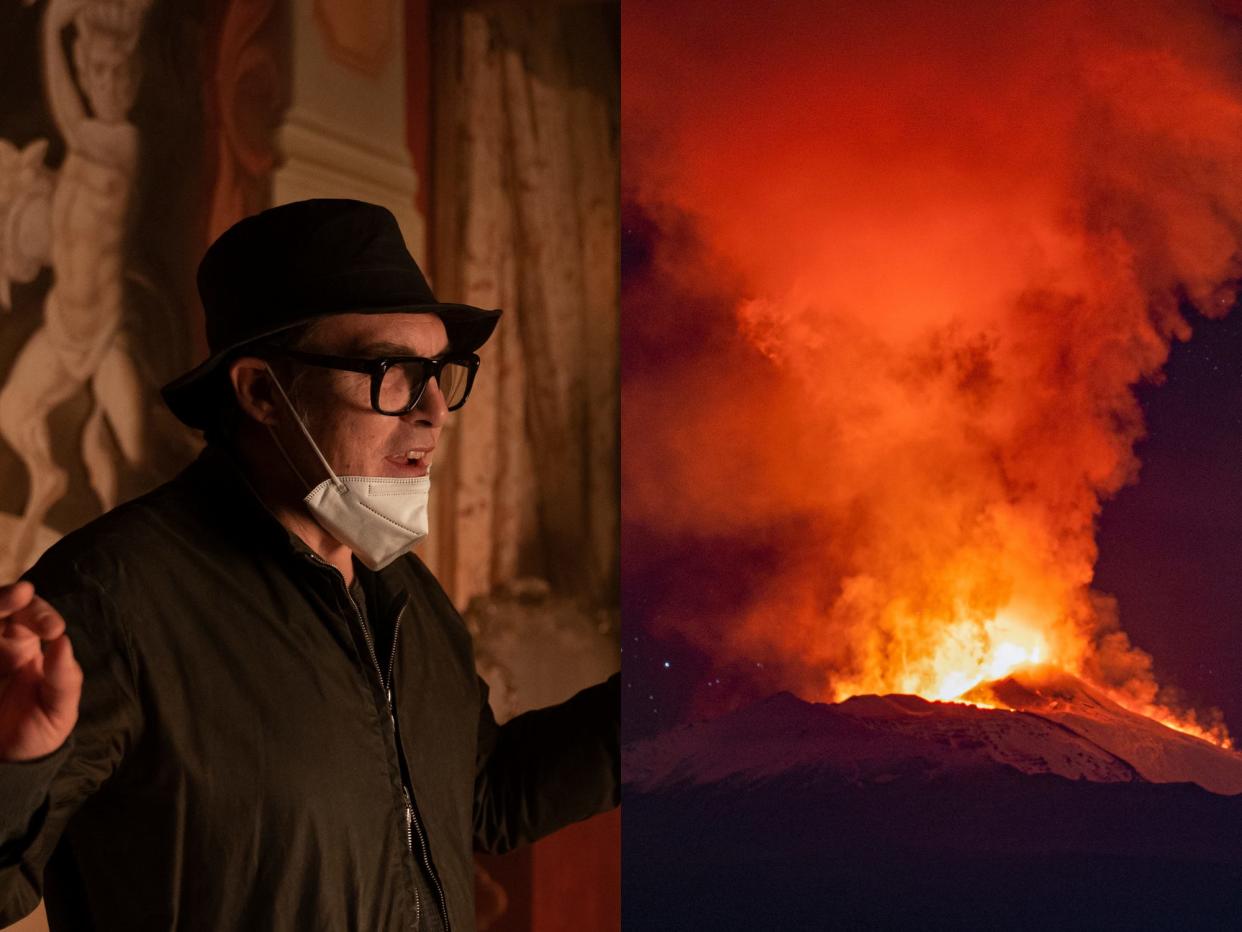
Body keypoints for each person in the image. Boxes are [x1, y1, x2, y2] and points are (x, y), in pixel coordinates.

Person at [0, 198, 620, 931]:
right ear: (262, 391)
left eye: (441, 370)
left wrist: (673, 702)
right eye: (392, 369)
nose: (433, 409)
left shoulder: (403, 591)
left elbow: (481, 799)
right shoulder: (112, 595)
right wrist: (11, 768)